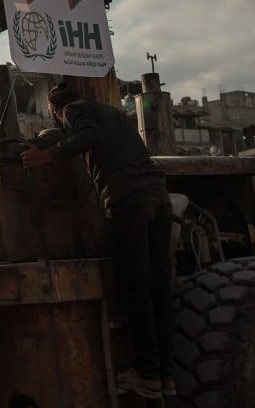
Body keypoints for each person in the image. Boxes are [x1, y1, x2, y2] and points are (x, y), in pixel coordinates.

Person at [21, 86, 174, 400]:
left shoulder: (73, 110)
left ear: (54, 109)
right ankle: (165, 375)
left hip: (128, 200)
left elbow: (89, 137)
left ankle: (147, 374)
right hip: (158, 196)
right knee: (159, 288)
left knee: (137, 289)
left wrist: (44, 156)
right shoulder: (112, 113)